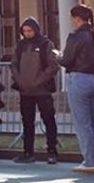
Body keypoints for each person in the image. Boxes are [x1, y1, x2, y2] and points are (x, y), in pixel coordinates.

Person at [59, 4, 94, 173]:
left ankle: (89, 161)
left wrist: (56, 56)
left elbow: (67, 60)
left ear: (76, 18)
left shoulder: (76, 37)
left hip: (79, 79)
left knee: (82, 123)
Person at [10, 17, 59, 164]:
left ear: (36, 30)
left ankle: (52, 152)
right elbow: (14, 65)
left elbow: (53, 65)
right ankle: (28, 153)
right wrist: (19, 80)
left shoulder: (46, 44)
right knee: (27, 122)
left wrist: (39, 80)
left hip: (42, 90)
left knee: (49, 120)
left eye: (29, 31)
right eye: (24, 31)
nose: (27, 33)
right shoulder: (20, 46)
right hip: (25, 91)